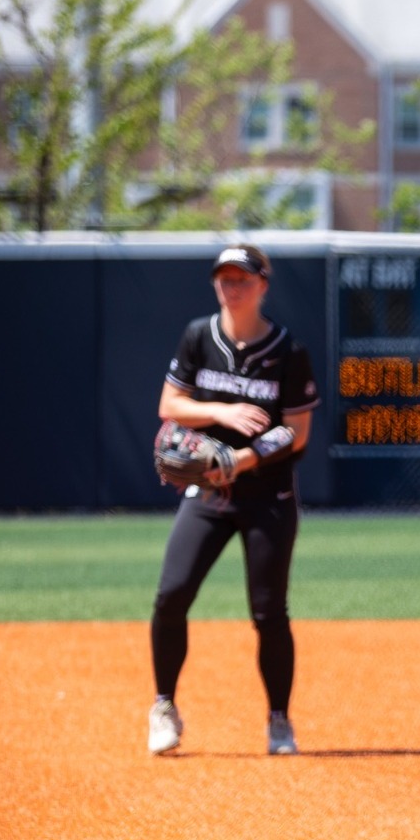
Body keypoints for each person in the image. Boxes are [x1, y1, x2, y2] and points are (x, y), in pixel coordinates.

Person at [147, 244, 319, 756]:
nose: (232, 286)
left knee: (268, 613)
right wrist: (223, 416)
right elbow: (170, 404)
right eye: (224, 278)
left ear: (263, 285)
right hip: (209, 494)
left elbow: (297, 431)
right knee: (171, 594)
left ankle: (279, 720)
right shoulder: (200, 337)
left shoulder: (288, 351)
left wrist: (243, 461)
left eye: (242, 278)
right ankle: (163, 707)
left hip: (269, 494)